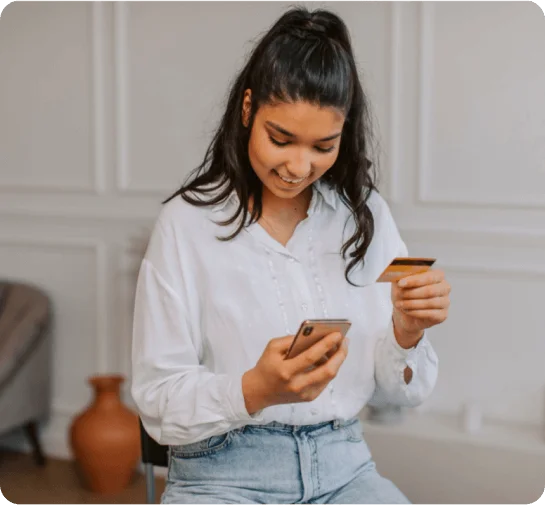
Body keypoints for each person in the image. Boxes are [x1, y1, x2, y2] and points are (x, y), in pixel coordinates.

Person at [131, 6, 451, 505]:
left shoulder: (365, 217)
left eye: (323, 146)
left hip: (346, 468)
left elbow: (402, 393)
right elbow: (156, 400)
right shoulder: (186, 224)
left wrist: (408, 333)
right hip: (222, 478)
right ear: (247, 109)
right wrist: (253, 389)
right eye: (280, 138)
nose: (299, 167)